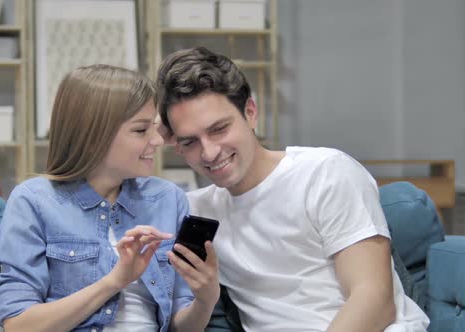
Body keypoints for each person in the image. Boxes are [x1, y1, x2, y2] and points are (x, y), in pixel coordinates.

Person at [156, 46, 430, 332]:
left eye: (219, 129)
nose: (209, 152)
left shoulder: (326, 173)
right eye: (190, 142)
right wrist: (154, 129)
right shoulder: (195, 210)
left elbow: (374, 300)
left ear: (250, 112)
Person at [0, 64, 220, 332]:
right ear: (94, 136)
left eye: (154, 128)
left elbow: (180, 327)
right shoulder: (34, 200)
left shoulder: (167, 199)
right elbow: (19, 325)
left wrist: (206, 300)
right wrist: (115, 281)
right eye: (140, 130)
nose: (157, 141)